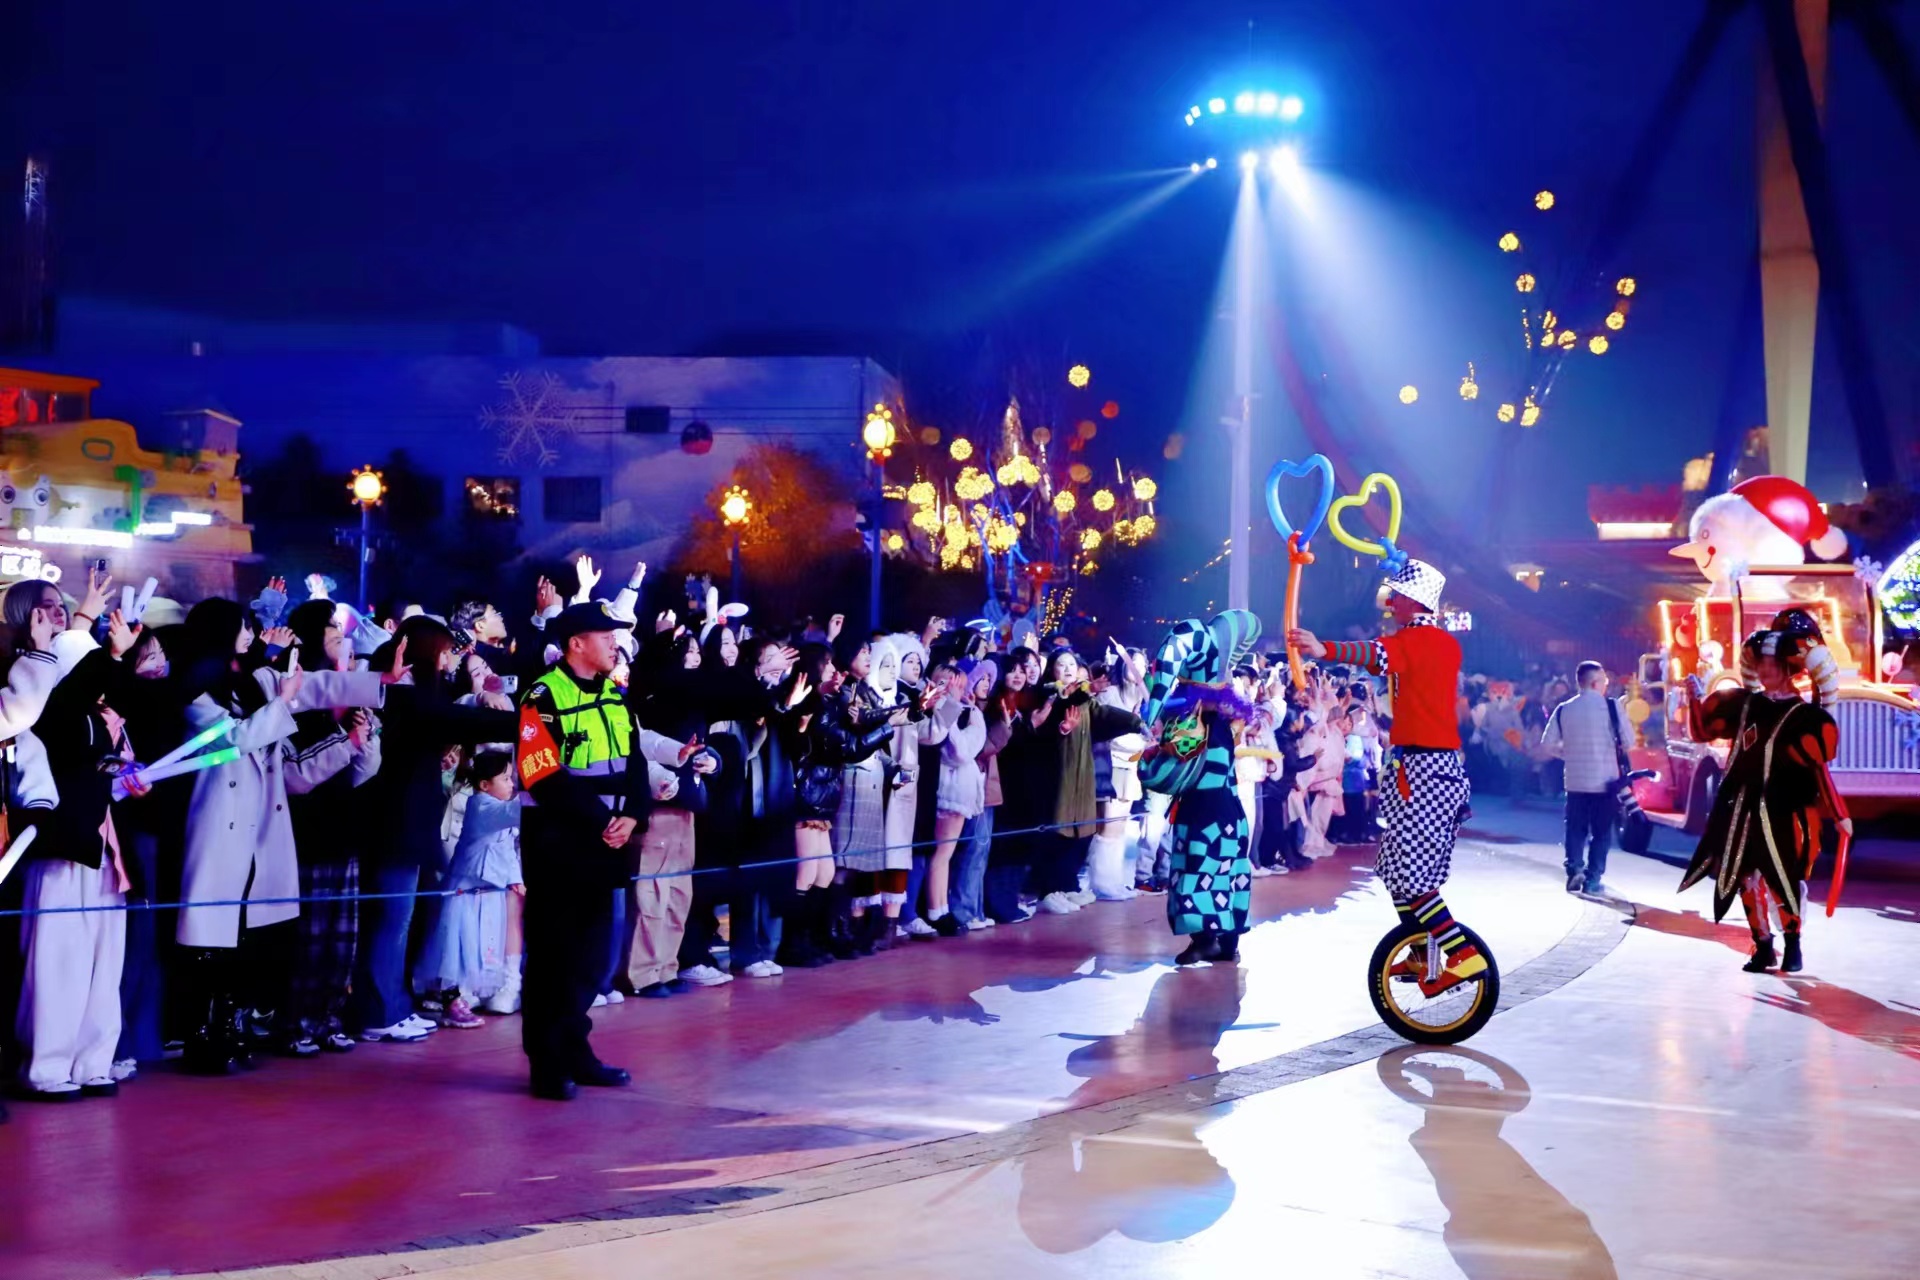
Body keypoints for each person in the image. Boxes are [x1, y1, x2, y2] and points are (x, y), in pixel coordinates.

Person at [515, 601, 709, 1101]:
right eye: (605, 636)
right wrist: (602, 819)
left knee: (591, 955)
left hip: (608, 842)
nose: (614, 644)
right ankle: (547, 1063)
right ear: (576, 643)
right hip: (558, 841)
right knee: (553, 956)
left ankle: (577, 1051)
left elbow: (634, 762)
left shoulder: (616, 696)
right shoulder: (542, 695)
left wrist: (635, 815)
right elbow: (540, 772)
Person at [1291, 557, 1486, 995]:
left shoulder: (1421, 641)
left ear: (1413, 600)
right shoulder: (1434, 643)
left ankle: (1461, 955)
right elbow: (1385, 657)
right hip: (1421, 769)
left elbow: (1376, 654)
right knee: (1397, 871)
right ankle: (1419, 951)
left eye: (1395, 595)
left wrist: (1324, 648)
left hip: (1424, 771)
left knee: (1414, 879)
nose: (1389, 603)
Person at [1678, 615, 1848, 973]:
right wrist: (1693, 698)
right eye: (1761, 664)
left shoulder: (1804, 716)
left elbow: (1820, 767)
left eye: (1772, 664)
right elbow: (1702, 733)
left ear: (1787, 669)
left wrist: (1840, 813)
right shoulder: (1744, 704)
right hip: (1741, 808)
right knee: (1744, 878)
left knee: (1780, 878)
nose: (1765, 670)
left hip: (1783, 812)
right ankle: (1762, 945)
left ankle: (1793, 944)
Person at [1540, 661, 1628, 896]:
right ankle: (1592, 879)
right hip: (1605, 782)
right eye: (1605, 681)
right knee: (1601, 832)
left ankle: (1574, 870)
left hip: (1575, 781)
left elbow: (1547, 744)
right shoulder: (1612, 707)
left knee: (1575, 829)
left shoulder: (1564, 709)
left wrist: (1566, 754)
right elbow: (1629, 741)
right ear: (1595, 683)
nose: (1606, 685)